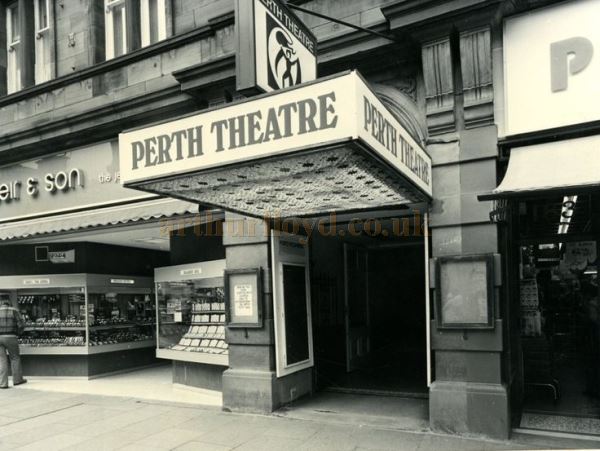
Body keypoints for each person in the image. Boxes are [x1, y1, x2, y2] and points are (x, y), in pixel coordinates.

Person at [0, 299, 27, 389]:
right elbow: (22, 324)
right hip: (11, 337)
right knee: (15, 358)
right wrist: (18, 333)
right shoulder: (14, 310)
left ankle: (3, 383)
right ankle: (17, 380)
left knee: (1, 360)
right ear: (10, 304)